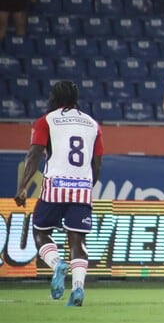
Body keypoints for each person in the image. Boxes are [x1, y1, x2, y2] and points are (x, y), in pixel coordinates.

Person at [14, 81, 102, 307]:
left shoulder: (46, 121)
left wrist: (23, 186)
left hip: (55, 186)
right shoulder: (93, 124)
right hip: (82, 188)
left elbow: (34, 154)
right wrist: (86, 186)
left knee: (40, 232)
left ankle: (57, 265)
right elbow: (97, 163)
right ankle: (79, 288)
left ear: (53, 98)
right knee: (78, 241)